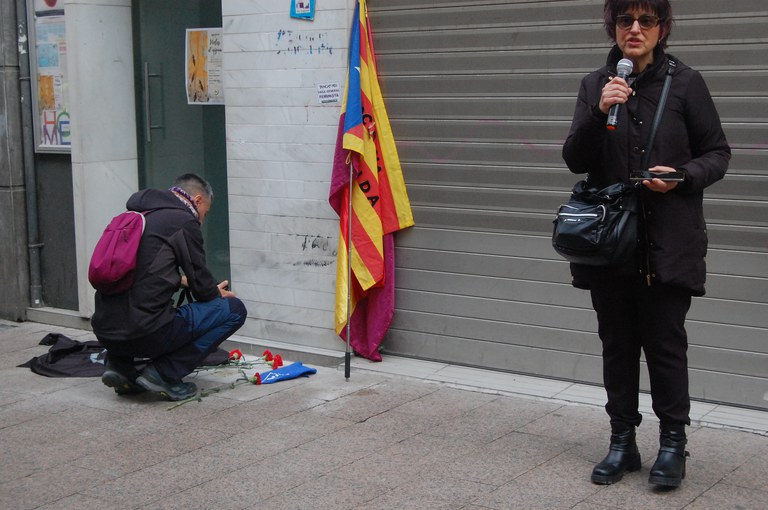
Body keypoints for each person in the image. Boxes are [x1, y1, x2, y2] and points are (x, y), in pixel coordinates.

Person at [561, 0, 730, 488]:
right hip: (611, 243)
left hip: (667, 240)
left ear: (663, 28)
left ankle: (673, 445)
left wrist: (682, 177)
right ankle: (622, 444)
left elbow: (718, 153)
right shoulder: (597, 85)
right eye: (624, 20)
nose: (634, 29)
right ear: (611, 28)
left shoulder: (686, 83)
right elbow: (575, 158)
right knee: (616, 346)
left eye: (646, 20)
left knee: (665, 346)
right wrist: (600, 112)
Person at [91, 173, 247, 401]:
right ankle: (163, 374)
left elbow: (140, 273)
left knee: (131, 307)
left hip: (105, 331)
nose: (202, 219)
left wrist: (181, 280)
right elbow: (203, 289)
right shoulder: (182, 220)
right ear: (198, 200)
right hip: (147, 333)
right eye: (206, 213)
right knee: (234, 310)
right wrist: (216, 292)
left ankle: (119, 365)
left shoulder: (133, 215)